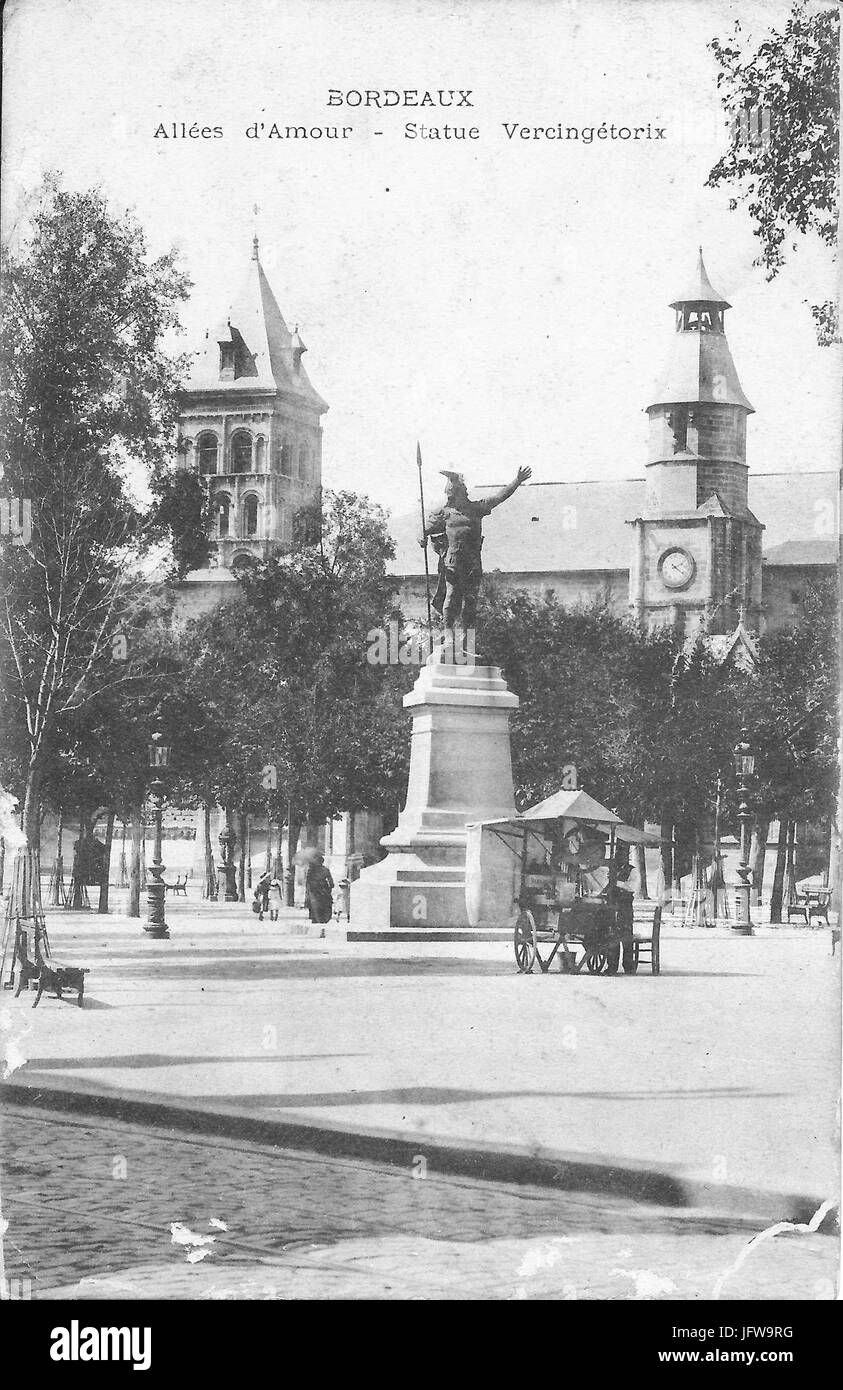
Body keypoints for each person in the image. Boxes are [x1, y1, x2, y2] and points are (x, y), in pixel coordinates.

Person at [421, 466, 532, 640]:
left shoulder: (476, 509)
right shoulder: (445, 513)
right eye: (452, 493)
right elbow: (424, 530)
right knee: (452, 596)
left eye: (457, 492)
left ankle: (467, 639)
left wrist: (516, 481)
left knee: (471, 601)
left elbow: (499, 497)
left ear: (462, 492)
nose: (454, 496)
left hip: (472, 562)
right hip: (453, 561)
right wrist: (421, 537)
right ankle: (448, 634)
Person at [305, 853, 334, 924]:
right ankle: (322, 918)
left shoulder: (311, 870)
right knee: (325, 903)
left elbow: (308, 881)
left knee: (315, 904)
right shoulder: (325, 869)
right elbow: (331, 882)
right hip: (322, 889)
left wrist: (308, 891)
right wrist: (330, 887)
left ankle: (316, 918)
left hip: (314, 889)